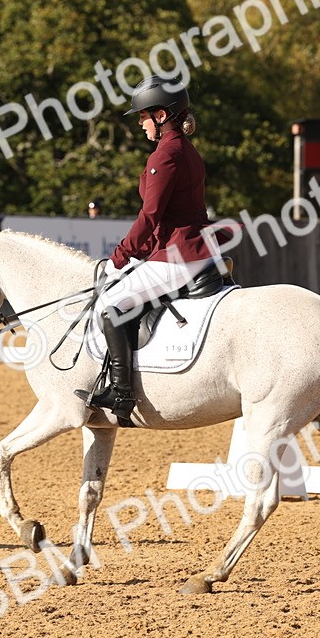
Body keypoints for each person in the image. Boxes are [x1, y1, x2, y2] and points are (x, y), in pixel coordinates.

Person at [76, 76, 217, 426]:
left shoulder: (166, 155)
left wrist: (120, 256)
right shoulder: (185, 150)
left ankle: (121, 395)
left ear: (160, 115)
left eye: (142, 117)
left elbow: (150, 215)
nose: (140, 124)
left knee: (111, 306)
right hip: (189, 248)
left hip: (178, 254)